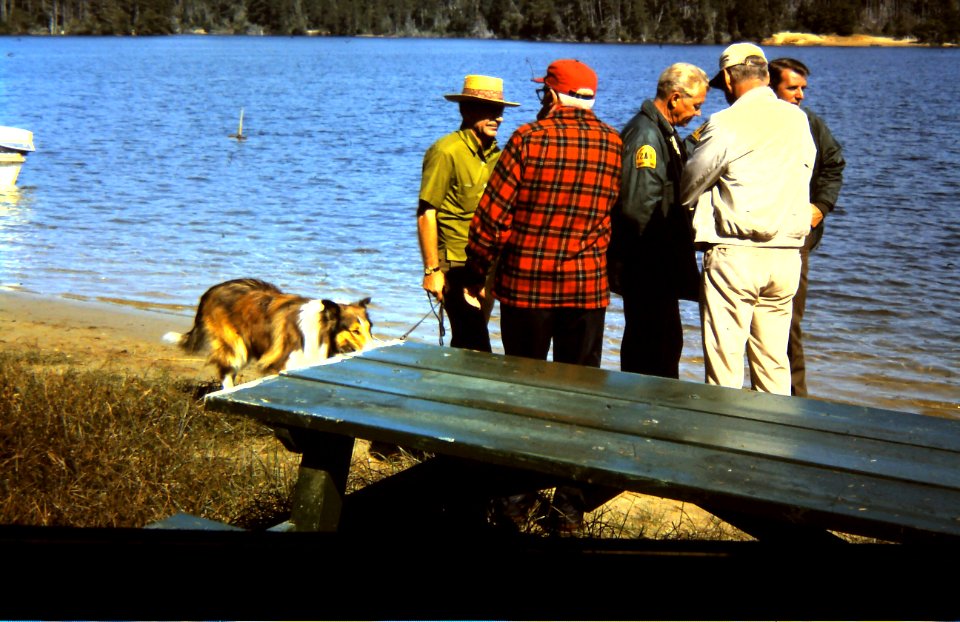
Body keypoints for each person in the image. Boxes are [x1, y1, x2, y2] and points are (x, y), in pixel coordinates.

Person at [464, 59, 623, 532]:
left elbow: (491, 217)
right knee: (579, 402)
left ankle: (515, 502)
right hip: (588, 289)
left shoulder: (528, 139)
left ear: (551, 95)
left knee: (524, 396)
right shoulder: (615, 143)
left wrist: (476, 271)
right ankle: (568, 508)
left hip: (528, 288)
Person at [680, 43, 816, 395]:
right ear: (766, 75)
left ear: (727, 77)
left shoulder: (725, 122)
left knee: (724, 368)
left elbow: (689, 184)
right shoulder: (798, 119)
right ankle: (775, 444)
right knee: (774, 365)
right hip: (787, 254)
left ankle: (724, 444)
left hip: (736, 254)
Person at [608, 62, 708, 379]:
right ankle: (646, 417)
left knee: (665, 345)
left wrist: (701, 138)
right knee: (652, 350)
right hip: (648, 268)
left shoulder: (662, 133)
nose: (698, 113)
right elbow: (639, 208)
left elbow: (673, 161)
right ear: (675, 98)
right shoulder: (645, 137)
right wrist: (662, 260)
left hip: (655, 268)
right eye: (696, 105)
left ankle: (653, 416)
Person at [417, 74, 519, 352]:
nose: (498, 118)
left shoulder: (500, 155)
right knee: (475, 343)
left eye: (500, 111)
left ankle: (454, 392)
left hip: (487, 267)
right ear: (466, 109)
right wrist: (431, 270)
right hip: (455, 266)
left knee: (468, 343)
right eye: (490, 110)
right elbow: (426, 214)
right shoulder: (445, 152)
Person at [768, 57, 846, 397]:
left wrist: (821, 207)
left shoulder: (810, 123)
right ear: (769, 87)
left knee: (789, 325)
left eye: (803, 89)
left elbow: (833, 165)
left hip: (796, 239)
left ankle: (798, 400)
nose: (800, 95)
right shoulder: (745, 122)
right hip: (749, 236)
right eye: (792, 88)